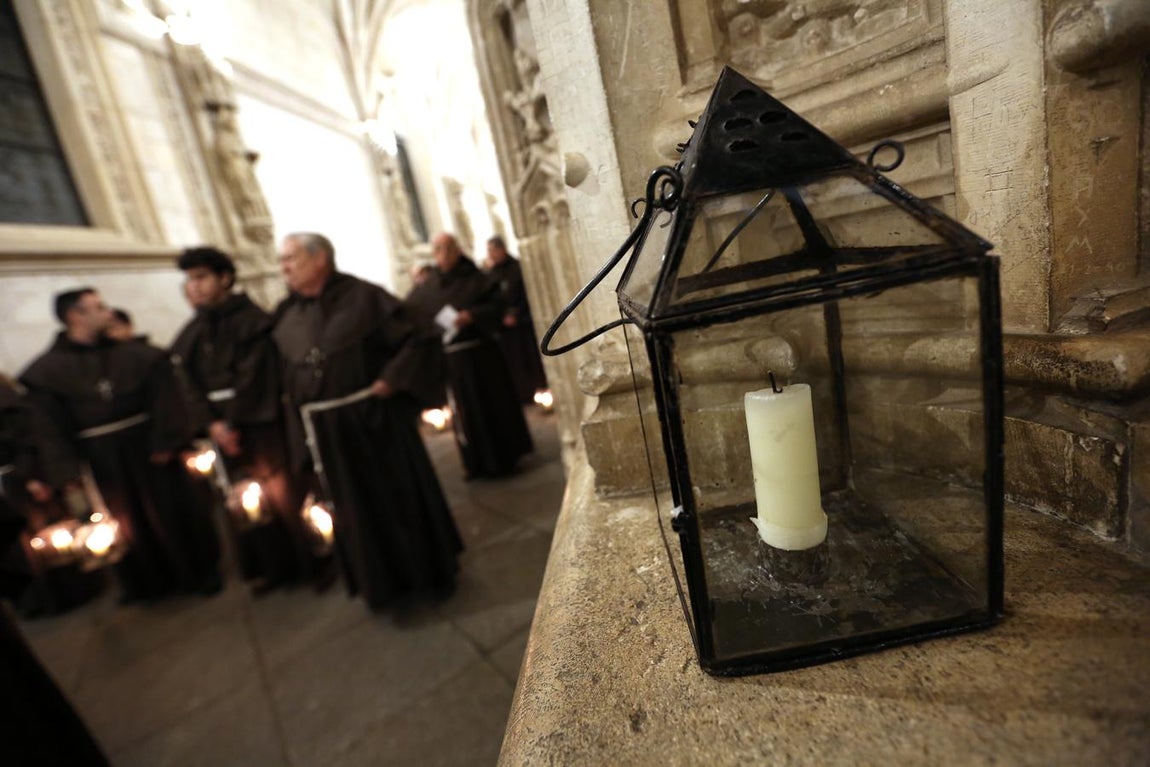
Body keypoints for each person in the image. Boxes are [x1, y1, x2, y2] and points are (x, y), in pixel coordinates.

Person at [272, 233, 461, 610]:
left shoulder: (366, 297)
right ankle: (382, 585)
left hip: (376, 421)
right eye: (282, 260)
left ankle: (429, 574)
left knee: (399, 499)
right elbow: (288, 387)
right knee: (355, 512)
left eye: (291, 257)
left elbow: (419, 338)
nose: (284, 267)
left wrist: (393, 377)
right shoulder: (285, 315)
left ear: (320, 257)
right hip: (327, 432)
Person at [19, 288, 221, 602]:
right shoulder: (46, 373)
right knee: (125, 523)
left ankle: (198, 572)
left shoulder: (139, 357)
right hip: (100, 460)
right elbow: (47, 427)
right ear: (75, 316)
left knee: (172, 511)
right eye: (98, 307)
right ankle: (147, 584)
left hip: (149, 448)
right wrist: (66, 473)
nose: (108, 312)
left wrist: (166, 438)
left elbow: (165, 399)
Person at [171, 246, 312, 593]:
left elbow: (254, 377)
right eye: (190, 280)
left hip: (259, 422)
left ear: (225, 278)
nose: (195, 287)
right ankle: (272, 566)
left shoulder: (254, 322)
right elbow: (186, 382)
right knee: (246, 500)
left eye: (202, 277)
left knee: (283, 494)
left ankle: (309, 562)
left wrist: (231, 422)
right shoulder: (193, 332)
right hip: (221, 428)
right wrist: (212, 424)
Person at [406, 232, 533, 478]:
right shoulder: (430, 284)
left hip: (481, 354)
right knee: (465, 415)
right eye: (436, 250)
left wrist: (473, 315)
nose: (440, 255)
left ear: (456, 249)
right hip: (453, 360)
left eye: (445, 249)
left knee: (493, 407)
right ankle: (475, 462)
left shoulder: (477, 278)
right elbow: (414, 313)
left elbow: (497, 305)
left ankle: (505, 458)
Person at [0, 375, 103, 617]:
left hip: (20, 479)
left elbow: (24, 438)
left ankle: (67, 593)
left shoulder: (7, 401)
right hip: (10, 482)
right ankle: (37, 598)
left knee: (43, 537)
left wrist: (31, 476)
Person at [484, 235, 548, 404]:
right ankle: (523, 394)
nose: (489, 255)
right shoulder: (491, 274)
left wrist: (516, 314)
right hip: (504, 328)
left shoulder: (517, 268)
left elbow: (526, 293)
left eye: (491, 250)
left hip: (523, 324)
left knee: (530, 358)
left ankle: (541, 390)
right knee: (514, 363)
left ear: (501, 249)